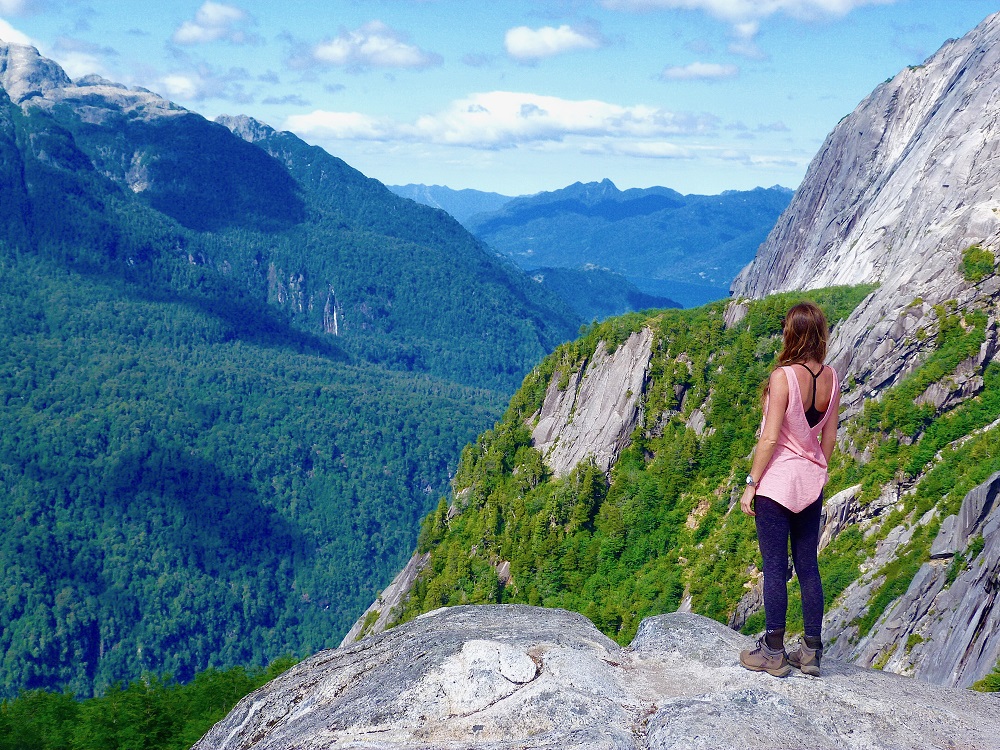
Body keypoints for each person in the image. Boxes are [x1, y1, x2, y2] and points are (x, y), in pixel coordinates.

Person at [738, 301, 840, 678]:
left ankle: (774, 651)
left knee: (774, 568)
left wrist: (751, 484)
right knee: (808, 566)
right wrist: (819, 470)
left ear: (792, 333)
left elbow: (769, 438)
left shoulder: (783, 377)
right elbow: (828, 436)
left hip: (778, 484)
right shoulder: (831, 377)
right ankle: (811, 652)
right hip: (811, 482)